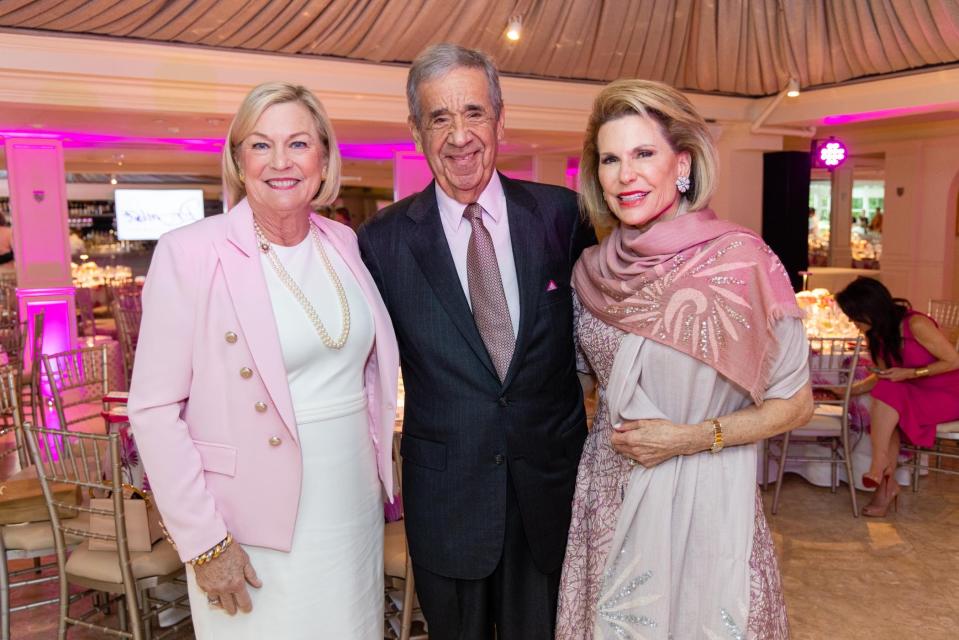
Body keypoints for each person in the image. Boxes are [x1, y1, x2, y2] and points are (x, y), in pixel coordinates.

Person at [128, 82, 399, 639]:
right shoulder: (191, 252)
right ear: (237, 159)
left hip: (352, 511)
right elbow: (153, 411)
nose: (281, 162)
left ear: (324, 159)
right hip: (249, 526)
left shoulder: (343, 243)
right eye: (260, 145)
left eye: (298, 144)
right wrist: (205, 543)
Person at [556, 79, 814, 639]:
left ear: (683, 164)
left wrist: (691, 438)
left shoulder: (741, 263)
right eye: (610, 159)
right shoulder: (590, 273)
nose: (626, 175)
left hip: (705, 496)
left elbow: (796, 404)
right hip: (609, 498)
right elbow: (579, 389)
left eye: (644, 154)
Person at [357, 43, 596, 639]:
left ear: (500, 119)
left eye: (473, 113)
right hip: (448, 498)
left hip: (548, 492)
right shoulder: (382, 242)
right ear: (417, 131)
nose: (459, 135)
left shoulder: (563, 216)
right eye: (440, 118)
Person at [835, 277, 959, 516]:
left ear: (870, 309)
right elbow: (884, 376)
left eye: (855, 316)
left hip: (948, 392)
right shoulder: (878, 334)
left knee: (890, 397)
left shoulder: (916, 324)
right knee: (888, 393)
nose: (853, 322)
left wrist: (912, 373)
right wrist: (848, 390)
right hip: (911, 392)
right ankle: (884, 481)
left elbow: (954, 360)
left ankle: (881, 475)